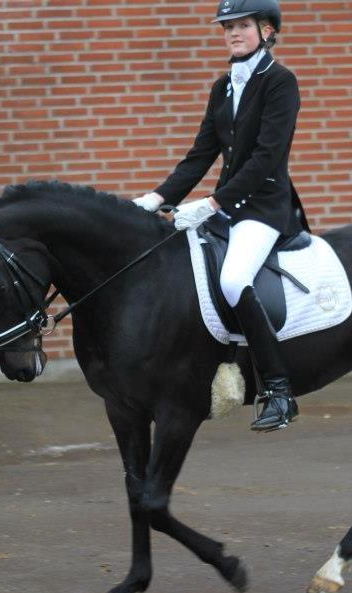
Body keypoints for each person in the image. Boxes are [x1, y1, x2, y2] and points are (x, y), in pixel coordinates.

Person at [132, 0, 307, 432]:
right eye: (227, 27)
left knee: (232, 279)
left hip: (264, 208)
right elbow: (199, 156)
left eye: (242, 26)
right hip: (228, 208)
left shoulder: (280, 82)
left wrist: (213, 204)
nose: (233, 33)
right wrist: (154, 199)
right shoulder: (223, 87)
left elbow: (267, 157)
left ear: (267, 31)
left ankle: (280, 391)